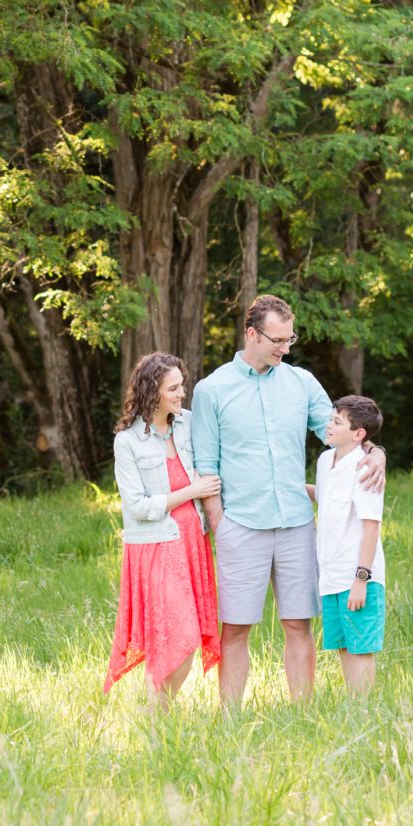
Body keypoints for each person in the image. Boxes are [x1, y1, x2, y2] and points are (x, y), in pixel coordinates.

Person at [190, 294, 385, 706]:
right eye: (276, 339)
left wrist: (377, 452)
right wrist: (219, 521)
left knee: (299, 624)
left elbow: (341, 435)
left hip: (296, 525)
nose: (284, 348)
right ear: (251, 334)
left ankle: (302, 713)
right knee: (236, 629)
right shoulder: (212, 390)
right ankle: (230, 720)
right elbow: (206, 464)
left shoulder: (301, 383)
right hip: (240, 525)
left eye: (289, 339)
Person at [104, 351, 223, 709]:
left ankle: (159, 712)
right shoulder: (128, 441)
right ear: (151, 391)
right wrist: (192, 492)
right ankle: (156, 715)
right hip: (156, 548)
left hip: (192, 544)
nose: (182, 393)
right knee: (174, 635)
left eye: (182, 385)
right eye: (173, 388)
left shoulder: (188, 423)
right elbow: (138, 507)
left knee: (188, 637)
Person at [311, 395, 387, 695]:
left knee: (361, 646)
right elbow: (326, 497)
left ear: (359, 434)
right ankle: (352, 705)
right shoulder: (324, 460)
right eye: (331, 418)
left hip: (358, 575)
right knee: (343, 644)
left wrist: (361, 579)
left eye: (337, 422)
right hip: (330, 574)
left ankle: (364, 708)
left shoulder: (366, 468)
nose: (328, 425)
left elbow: (371, 527)